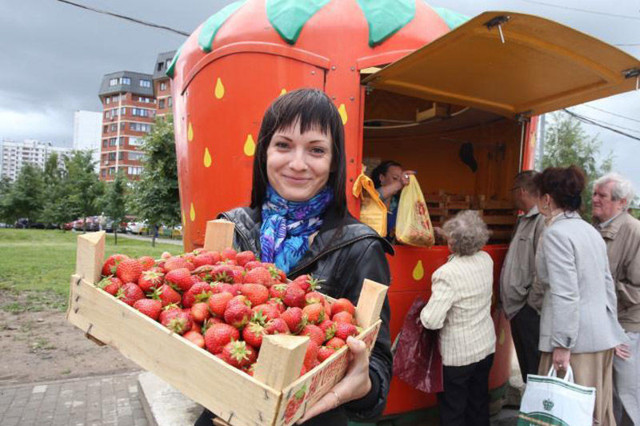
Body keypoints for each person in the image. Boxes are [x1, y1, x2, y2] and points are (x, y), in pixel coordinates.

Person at [194, 89, 393, 426]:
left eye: (316, 150)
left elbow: (377, 370)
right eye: (283, 145)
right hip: (223, 414)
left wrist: (365, 385)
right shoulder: (232, 228)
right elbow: (196, 327)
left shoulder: (359, 247)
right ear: (264, 153)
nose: (298, 163)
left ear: (333, 163)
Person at [534, 166, 628, 426]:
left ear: (547, 198)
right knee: (593, 412)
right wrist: (614, 330)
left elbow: (565, 292)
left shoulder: (556, 233)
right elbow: (606, 283)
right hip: (599, 338)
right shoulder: (589, 230)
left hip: (574, 342)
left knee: (568, 414)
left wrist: (562, 344)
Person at [420, 210, 496, 426]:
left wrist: (423, 311)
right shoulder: (486, 259)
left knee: (453, 411)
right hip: (485, 347)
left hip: (458, 357)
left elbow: (431, 320)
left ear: (452, 243)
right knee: (479, 404)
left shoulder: (447, 273)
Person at [593, 172, 640, 426]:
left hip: (625, 327)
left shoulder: (634, 231)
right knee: (607, 392)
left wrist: (601, 286)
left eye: (602, 195)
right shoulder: (597, 227)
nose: (595, 199)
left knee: (627, 392)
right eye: (594, 193)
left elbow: (637, 290)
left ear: (622, 202)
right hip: (607, 324)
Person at [499, 171, 545, 382]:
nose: (512, 196)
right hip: (518, 307)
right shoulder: (524, 219)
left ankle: (537, 412)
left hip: (528, 309)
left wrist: (530, 303)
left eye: (513, 191)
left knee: (535, 365)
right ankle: (529, 411)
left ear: (523, 191)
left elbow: (542, 268)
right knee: (527, 366)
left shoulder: (542, 220)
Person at [370, 161, 413, 241]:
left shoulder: (400, 205)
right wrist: (400, 183)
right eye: (395, 178)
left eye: (401, 179)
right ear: (382, 178)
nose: (400, 183)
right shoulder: (368, 197)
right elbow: (375, 196)